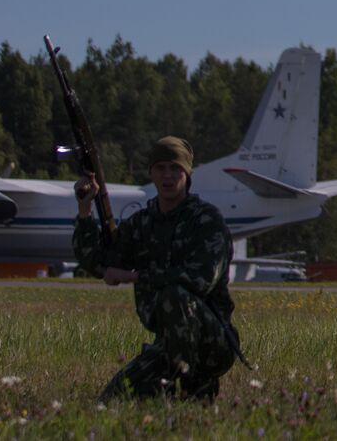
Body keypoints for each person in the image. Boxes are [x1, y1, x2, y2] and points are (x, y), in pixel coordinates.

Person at [73, 136, 240, 401]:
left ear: (187, 173)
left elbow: (199, 280)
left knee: (175, 294)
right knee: (114, 399)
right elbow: (98, 263)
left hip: (211, 344)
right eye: (160, 168)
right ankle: (169, 386)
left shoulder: (206, 221)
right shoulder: (143, 224)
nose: (168, 175)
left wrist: (135, 276)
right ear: (151, 172)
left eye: (175, 168)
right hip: (167, 345)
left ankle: (195, 387)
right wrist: (85, 208)